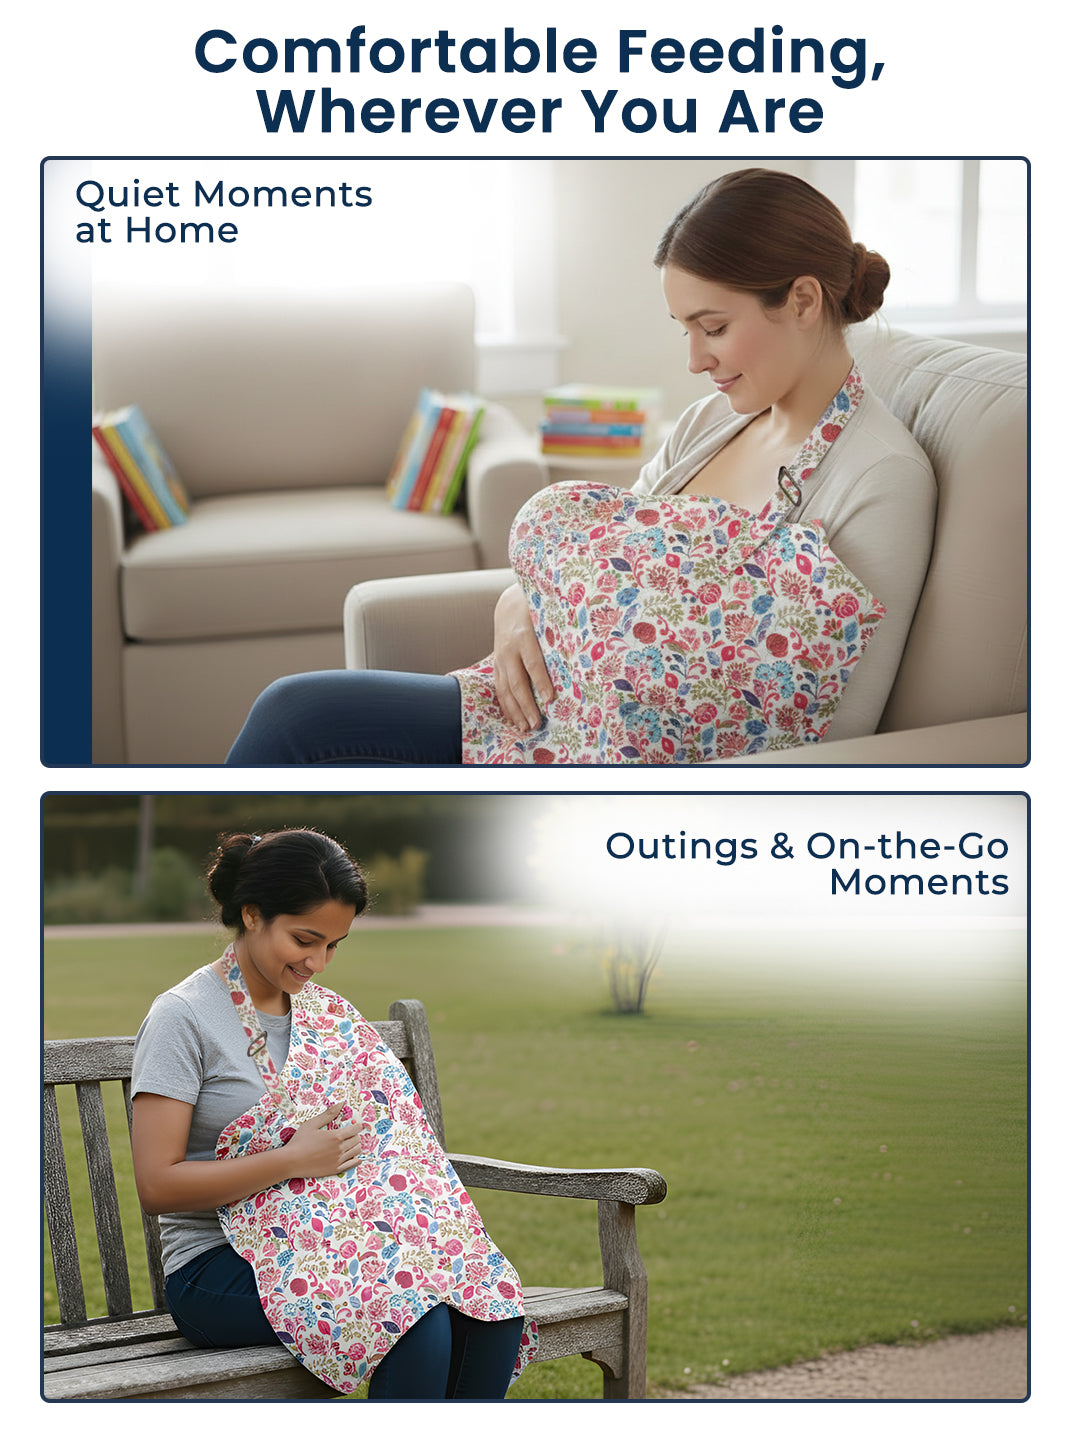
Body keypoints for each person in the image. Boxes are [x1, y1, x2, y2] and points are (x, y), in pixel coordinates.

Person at [225, 168, 935, 765]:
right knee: (296, 712)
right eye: (684, 330)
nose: (694, 360)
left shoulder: (880, 478)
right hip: (520, 709)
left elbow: (840, 727)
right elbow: (592, 562)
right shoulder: (707, 424)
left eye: (713, 328)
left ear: (804, 300)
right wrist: (515, 604)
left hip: (621, 763)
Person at [131, 828, 531, 1398]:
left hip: (336, 1239)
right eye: (304, 939)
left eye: (334, 944)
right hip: (217, 1267)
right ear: (251, 915)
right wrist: (293, 1159)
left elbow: (397, 1142)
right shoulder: (184, 1017)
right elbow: (157, 1185)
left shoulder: (327, 1016)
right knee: (410, 1319)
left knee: (489, 1307)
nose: (317, 962)